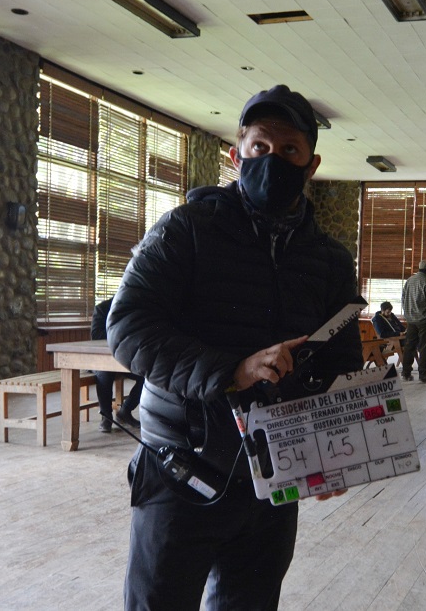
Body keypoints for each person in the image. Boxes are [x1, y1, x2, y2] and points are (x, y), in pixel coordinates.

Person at [107, 84, 364, 610]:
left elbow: (340, 362)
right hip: (181, 468)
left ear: (310, 164)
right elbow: (129, 326)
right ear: (236, 152)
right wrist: (232, 369)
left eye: (289, 151)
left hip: (273, 482)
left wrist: (335, 452)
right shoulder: (185, 230)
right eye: (259, 148)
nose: (273, 160)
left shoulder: (329, 259)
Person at [91, 297, 143, 433]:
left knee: (147, 375)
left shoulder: (131, 309)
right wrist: (121, 336)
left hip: (124, 359)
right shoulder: (101, 309)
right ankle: (106, 417)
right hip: (101, 359)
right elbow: (96, 335)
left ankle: (125, 411)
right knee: (104, 373)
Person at [401, 260, 426, 383]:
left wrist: (407, 314)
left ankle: (406, 372)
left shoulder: (409, 280)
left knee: (409, 346)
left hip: (411, 319)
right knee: (424, 346)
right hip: (424, 320)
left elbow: (403, 298)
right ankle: (423, 374)